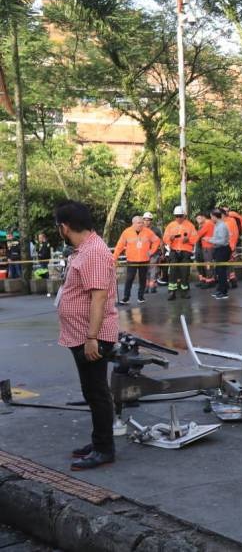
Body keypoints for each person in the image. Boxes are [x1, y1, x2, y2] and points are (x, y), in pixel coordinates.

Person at [54, 201, 119, 471]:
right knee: (92, 391)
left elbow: (99, 296)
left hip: (90, 336)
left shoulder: (93, 252)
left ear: (64, 227)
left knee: (97, 392)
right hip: (81, 334)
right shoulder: (85, 249)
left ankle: (104, 449)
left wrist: (92, 337)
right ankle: (99, 441)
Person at [113, 216, 160, 305]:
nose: (141, 224)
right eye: (139, 223)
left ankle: (141, 297)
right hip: (131, 260)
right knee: (129, 279)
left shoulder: (148, 232)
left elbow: (157, 241)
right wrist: (114, 258)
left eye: (142, 223)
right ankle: (126, 298)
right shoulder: (126, 232)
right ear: (133, 223)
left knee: (143, 279)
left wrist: (151, 251)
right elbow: (119, 246)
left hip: (144, 260)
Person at [163, 206, 197, 301]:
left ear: (184, 216)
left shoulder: (190, 225)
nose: (178, 218)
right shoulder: (170, 225)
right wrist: (170, 239)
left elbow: (195, 237)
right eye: (177, 216)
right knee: (173, 270)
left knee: (185, 271)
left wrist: (188, 240)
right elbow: (165, 238)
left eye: (180, 216)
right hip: (174, 250)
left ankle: (184, 291)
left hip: (186, 251)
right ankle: (172, 291)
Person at [206, 209, 231, 300]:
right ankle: (220, 289)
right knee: (219, 271)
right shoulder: (217, 225)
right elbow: (217, 238)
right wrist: (211, 238)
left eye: (211, 216)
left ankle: (224, 292)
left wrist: (210, 240)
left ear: (215, 216)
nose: (211, 218)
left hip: (223, 249)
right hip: (218, 249)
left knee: (221, 271)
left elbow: (222, 241)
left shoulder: (222, 226)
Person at [142, 212, 164, 293]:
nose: (147, 221)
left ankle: (152, 286)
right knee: (145, 270)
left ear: (151, 221)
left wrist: (162, 253)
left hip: (154, 253)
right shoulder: (140, 229)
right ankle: (146, 287)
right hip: (143, 253)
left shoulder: (156, 230)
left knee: (154, 270)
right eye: (145, 220)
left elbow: (161, 242)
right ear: (143, 220)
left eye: (149, 220)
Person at [195, 212, 216, 288]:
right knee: (206, 264)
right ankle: (207, 279)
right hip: (206, 246)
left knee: (208, 264)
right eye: (197, 218)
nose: (198, 220)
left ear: (204, 217)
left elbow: (199, 234)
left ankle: (210, 281)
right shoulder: (207, 224)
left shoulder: (207, 224)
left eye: (200, 218)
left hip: (208, 247)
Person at [221, 208, 240, 288]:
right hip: (232, 246)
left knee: (225, 265)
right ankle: (232, 280)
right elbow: (235, 234)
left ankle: (227, 282)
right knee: (230, 264)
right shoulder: (233, 221)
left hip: (227, 247)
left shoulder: (225, 223)